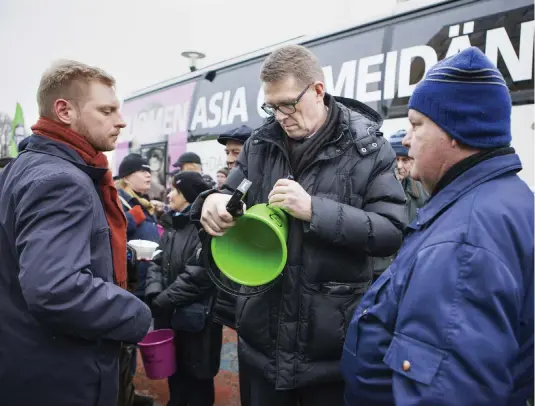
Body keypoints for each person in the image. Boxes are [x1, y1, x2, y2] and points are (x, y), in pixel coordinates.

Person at [193, 44, 406, 405]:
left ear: (318, 91)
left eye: (288, 104)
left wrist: (315, 211)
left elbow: (390, 231)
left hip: (328, 351)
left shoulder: (368, 148)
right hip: (262, 344)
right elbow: (233, 192)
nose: (279, 116)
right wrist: (211, 203)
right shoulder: (259, 145)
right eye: (271, 106)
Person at [341, 47, 534, 406]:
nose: (407, 140)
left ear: (457, 133)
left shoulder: (464, 241)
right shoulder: (502, 200)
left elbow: (447, 393)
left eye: (416, 124)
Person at [0, 60, 151, 406]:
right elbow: (56, 287)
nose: (120, 120)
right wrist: (136, 314)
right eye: (107, 110)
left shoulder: (21, 170)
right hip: (64, 377)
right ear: (64, 111)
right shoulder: (62, 180)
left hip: (28, 363)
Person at [146, 171, 222, 406]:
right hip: (170, 315)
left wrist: (163, 300)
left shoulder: (205, 229)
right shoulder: (172, 225)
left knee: (197, 377)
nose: (168, 195)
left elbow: (199, 276)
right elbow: (157, 261)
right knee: (174, 370)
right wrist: (154, 292)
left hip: (198, 320)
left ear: (188, 195)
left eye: (174, 191)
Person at [115, 153, 160, 406]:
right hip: (129, 282)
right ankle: (124, 394)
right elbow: (114, 232)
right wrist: (134, 218)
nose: (148, 175)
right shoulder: (121, 201)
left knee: (133, 337)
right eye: (142, 171)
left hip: (143, 278)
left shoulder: (141, 200)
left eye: (149, 171)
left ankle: (128, 390)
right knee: (124, 341)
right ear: (127, 176)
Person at [372, 129, 429, 281]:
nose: (399, 165)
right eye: (396, 159)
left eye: (405, 160)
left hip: (406, 268)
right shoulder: (373, 186)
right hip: (377, 270)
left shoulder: (423, 192)